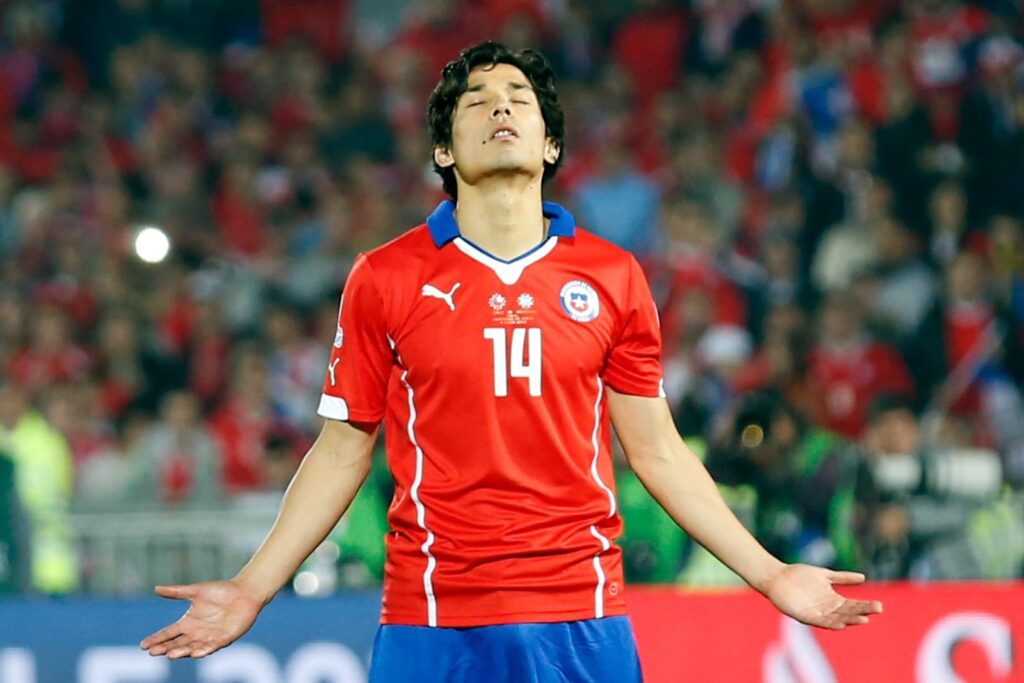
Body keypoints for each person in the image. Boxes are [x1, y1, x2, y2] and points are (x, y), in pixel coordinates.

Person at [140, 42, 882, 681]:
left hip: (581, 614)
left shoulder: (613, 277)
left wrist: (770, 572)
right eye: (476, 101)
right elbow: (341, 452)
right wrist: (251, 588)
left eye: (519, 98)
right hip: (431, 615)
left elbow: (656, 451)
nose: (501, 108)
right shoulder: (386, 277)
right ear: (443, 149)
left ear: (550, 144)